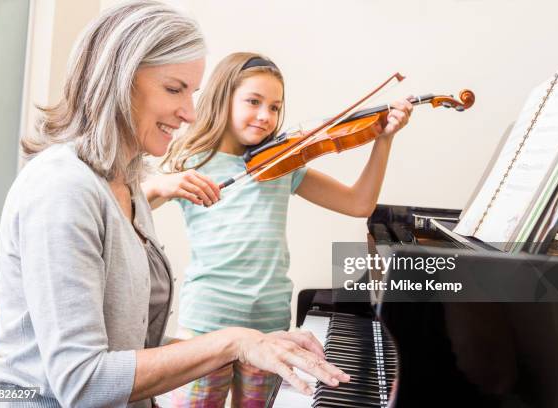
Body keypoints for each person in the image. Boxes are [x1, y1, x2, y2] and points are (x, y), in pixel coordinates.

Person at [0, 2, 349, 407]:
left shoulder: (127, 183)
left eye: (191, 93)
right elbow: (82, 383)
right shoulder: (62, 188)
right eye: (174, 89)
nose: (190, 113)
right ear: (117, 82)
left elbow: (128, 346)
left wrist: (256, 343)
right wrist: (232, 342)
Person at [142, 52, 413, 406]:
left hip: (269, 328)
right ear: (224, 99)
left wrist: (384, 139)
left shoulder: (284, 163)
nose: (265, 116)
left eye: (274, 107)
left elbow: (358, 204)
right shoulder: (189, 162)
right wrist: (162, 185)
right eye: (253, 102)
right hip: (206, 328)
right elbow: (126, 208)